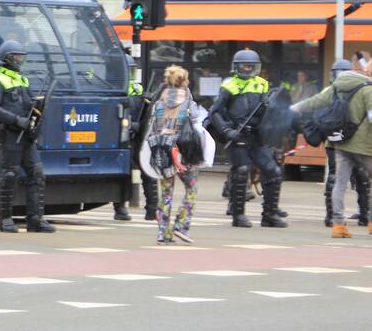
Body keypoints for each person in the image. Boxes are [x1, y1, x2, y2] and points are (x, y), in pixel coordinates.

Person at [293, 60, 372, 238]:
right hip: (364, 146)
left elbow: (315, 102)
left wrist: (294, 108)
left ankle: (338, 225)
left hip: (340, 143)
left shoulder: (336, 87)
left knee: (340, 184)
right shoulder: (369, 89)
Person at [208, 48, 285, 228]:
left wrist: (270, 105)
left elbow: (270, 112)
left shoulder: (262, 84)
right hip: (237, 136)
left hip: (257, 136)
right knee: (241, 171)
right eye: (244, 66)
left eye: (251, 66)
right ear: (236, 67)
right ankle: (238, 214)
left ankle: (270, 214)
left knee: (273, 171)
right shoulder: (229, 85)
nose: (247, 69)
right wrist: (227, 131)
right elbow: (215, 112)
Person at [0, 40, 55, 234]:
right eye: (16, 56)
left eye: (21, 56)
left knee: (37, 174)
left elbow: (29, 105)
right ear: (6, 58)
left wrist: (36, 111)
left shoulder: (21, 79)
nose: (19, 60)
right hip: (10, 135)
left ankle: (35, 219)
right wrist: (16, 120)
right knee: (9, 175)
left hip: (26, 136)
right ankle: (4, 219)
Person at [148, 66, 202, 245]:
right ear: (184, 81)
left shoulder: (158, 103)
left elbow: (152, 128)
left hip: (163, 152)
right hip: (183, 152)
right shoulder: (189, 103)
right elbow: (197, 127)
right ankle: (181, 225)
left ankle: (163, 234)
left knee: (165, 194)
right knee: (191, 188)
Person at [114, 55, 158, 221]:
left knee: (148, 171)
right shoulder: (115, 89)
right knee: (123, 174)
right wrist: (130, 126)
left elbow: (150, 116)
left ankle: (152, 209)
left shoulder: (139, 90)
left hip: (140, 139)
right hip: (123, 138)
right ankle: (120, 207)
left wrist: (149, 103)